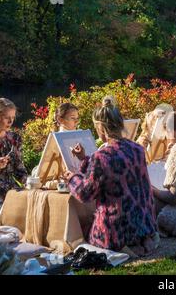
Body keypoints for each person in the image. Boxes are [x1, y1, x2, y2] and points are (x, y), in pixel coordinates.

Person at [64, 96, 158, 254]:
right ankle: (139, 242)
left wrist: (72, 178)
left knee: (82, 229)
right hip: (143, 225)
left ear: (101, 129)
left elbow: (85, 194)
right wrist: (84, 159)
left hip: (115, 232)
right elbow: (114, 169)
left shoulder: (102, 156)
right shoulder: (137, 149)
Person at [0, 98, 28, 225]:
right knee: (2, 216)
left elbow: (20, 169)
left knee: (31, 204)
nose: (10, 121)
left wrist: (30, 182)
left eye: (13, 117)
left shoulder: (15, 138)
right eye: (6, 117)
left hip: (10, 188)